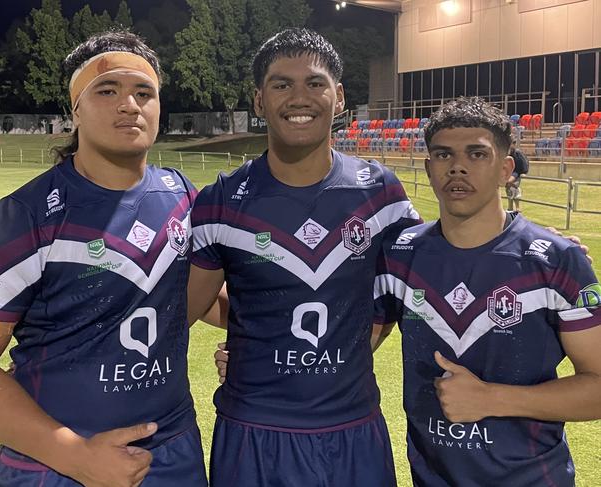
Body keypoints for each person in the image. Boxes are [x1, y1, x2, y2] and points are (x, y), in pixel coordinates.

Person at [0, 31, 207, 487]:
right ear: (75, 109)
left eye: (143, 93)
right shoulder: (25, 216)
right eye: (107, 91)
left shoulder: (182, 197)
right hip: (58, 467)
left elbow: (196, 299)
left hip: (173, 454)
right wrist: (76, 456)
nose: (129, 105)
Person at [188, 28, 421, 486]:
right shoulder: (223, 200)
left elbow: (408, 285)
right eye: (281, 84)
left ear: (338, 98)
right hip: (253, 431)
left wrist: (529, 242)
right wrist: (259, 340)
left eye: (315, 83)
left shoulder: (380, 193)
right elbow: (186, 308)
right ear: (258, 101)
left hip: (353, 430)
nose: (299, 98)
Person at [374, 97, 601, 486]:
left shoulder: (555, 262)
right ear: (429, 168)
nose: (458, 166)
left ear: (506, 169)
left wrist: (493, 399)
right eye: (444, 154)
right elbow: (348, 344)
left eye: (477, 153)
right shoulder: (400, 255)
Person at [505, 138, 529, 212]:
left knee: (512, 186)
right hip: (510, 171)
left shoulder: (517, 153)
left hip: (516, 172)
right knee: (508, 187)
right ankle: (510, 207)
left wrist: (524, 172)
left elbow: (524, 162)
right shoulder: (508, 152)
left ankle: (517, 207)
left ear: (514, 144)